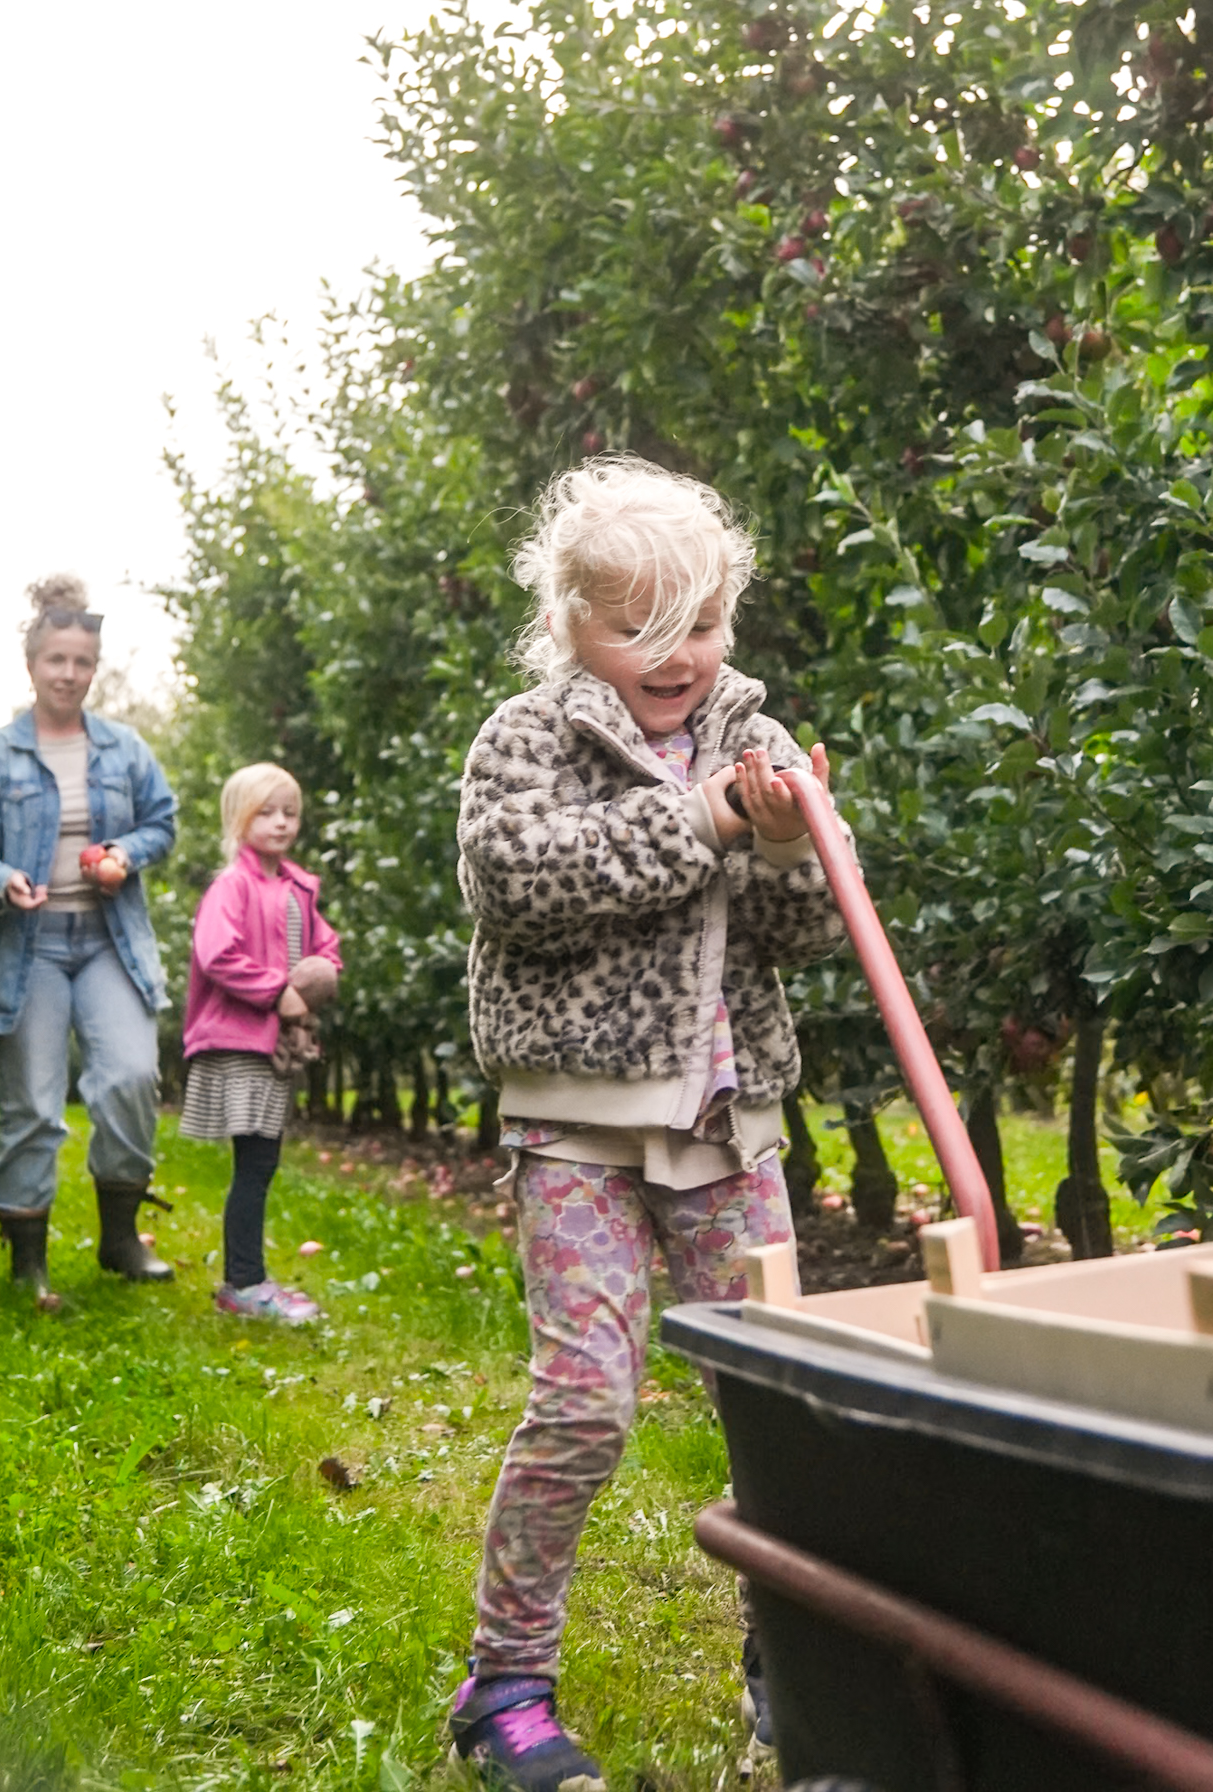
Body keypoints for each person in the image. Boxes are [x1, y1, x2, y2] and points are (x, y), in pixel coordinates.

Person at [448, 457, 849, 1792]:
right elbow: (520, 881)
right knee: (584, 1404)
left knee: (778, 1407)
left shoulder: (757, 739)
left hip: (728, 1126)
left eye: (704, 622)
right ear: (571, 623)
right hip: (578, 1129)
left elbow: (806, 931)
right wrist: (704, 816)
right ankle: (506, 1683)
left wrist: (787, 843)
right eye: (641, 628)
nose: (679, 655)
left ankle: (792, 1657)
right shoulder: (524, 740)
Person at [0, 576, 178, 1307]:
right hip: (27, 945)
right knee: (32, 1100)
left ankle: (120, 1239)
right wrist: (0, 878)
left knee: (129, 1077)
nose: (68, 673)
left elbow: (161, 821)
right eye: (56, 659)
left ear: (94, 667)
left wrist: (124, 852)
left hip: (107, 940)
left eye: (81, 661)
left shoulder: (124, 749)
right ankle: (28, 1258)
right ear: (32, 664)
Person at [180, 762, 341, 1324]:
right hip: (239, 1040)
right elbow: (217, 954)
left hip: (272, 1041)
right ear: (239, 820)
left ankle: (245, 1279)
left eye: (289, 813)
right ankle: (243, 1282)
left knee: (261, 1160)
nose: (280, 823)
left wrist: (318, 978)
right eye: (266, 812)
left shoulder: (298, 886)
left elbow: (325, 946)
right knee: (255, 1162)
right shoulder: (232, 886)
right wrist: (278, 993)